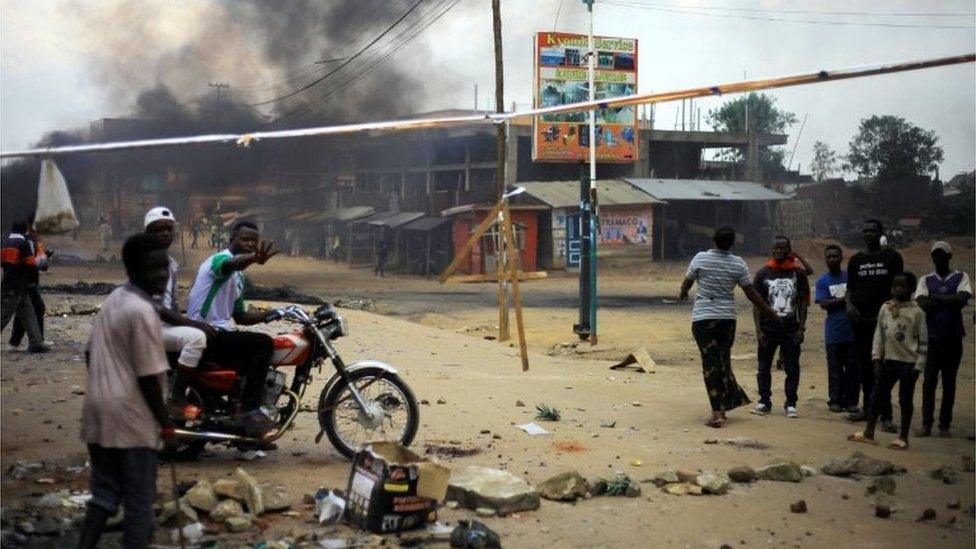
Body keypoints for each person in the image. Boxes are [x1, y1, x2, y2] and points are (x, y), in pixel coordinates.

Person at [76, 233, 176, 548]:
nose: (162, 275)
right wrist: (166, 422)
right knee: (138, 503)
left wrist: (105, 384)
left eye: (165, 267)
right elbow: (149, 376)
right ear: (134, 269)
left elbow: (90, 353)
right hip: (131, 418)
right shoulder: (142, 311)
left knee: (104, 493)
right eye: (154, 268)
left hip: (98, 410)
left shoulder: (115, 299)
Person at [679, 226, 780, 428]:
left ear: (713, 240)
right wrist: (770, 312)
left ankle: (717, 412)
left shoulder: (700, 258)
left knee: (710, 364)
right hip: (727, 320)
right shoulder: (738, 263)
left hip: (704, 318)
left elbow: (687, 283)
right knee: (723, 361)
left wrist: (683, 293)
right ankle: (724, 405)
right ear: (732, 243)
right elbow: (751, 293)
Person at [187, 220, 278, 431]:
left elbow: (240, 316)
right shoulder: (219, 260)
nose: (249, 244)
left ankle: (244, 430)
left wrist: (269, 315)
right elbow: (230, 264)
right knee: (264, 344)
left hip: (220, 331)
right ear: (231, 239)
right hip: (205, 331)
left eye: (254, 242)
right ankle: (248, 411)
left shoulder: (239, 278)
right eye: (245, 239)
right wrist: (254, 258)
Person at [143, 207, 215, 418]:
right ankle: (176, 397)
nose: (165, 233)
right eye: (159, 230)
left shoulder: (169, 262)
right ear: (148, 233)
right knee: (196, 338)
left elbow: (171, 303)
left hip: (161, 325)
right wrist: (194, 325)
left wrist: (187, 320)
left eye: (168, 229)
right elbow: (155, 307)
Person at [848, 272, 926, 450]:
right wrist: (876, 358)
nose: (898, 289)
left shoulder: (917, 312)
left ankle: (903, 437)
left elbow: (923, 341)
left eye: (903, 286)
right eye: (895, 285)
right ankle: (869, 432)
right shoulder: (886, 308)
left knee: (905, 399)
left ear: (912, 289)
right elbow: (879, 335)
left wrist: (919, 365)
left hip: (908, 362)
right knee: (877, 396)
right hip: (888, 360)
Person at [845, 218, 903, 432]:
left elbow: (900, 288)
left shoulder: (892, 258)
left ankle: (886, 415)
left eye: (872, 231)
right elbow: (849, 289)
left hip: (885, 322)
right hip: (861, 321)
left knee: (884, 369)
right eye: (865, 230)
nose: (868, 234)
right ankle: (868, 408)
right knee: (865, 368)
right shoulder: (856, 260)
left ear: (880, 233)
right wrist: (850, 307)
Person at [914, 241, 971, 438]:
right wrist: (949, 300)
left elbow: (962, 298)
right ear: (932, 257)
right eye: (935, 254)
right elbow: (923, 304)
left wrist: (935, 297)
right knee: (929, 382)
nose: (938, 258)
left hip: (953, 338)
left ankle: (944, 425)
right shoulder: (926, 278)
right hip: (932, 338)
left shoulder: (961, 276)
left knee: (949, 382)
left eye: (942, 254)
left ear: (949, 256)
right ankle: (926, 424)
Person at [751, 236, 810, 418]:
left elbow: (802, 302)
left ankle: (791, 403)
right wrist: (759, 330)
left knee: (792, 367)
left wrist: (801, 328)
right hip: (768, 329)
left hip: (791, 329)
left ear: (788, 250)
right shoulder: (763, 273)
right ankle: (764, 401)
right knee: (763, 367)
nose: (778, 251)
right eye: (775, 248)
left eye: (782, 248)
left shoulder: (798, 273)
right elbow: (757, 305)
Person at [815, 245, 859, 413]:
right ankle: (834, 400)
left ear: (841, 258)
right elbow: (824, 304)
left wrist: (836, 300)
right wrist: (846, 299)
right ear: (825, 260)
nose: (832, 259)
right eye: (829, 257)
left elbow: (857, 296)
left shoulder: (850, 277)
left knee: (853, 369)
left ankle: (851, 401)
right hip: (833, 333)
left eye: (835, 256)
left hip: (852, 332)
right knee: (835, 370)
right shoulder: (822, 281)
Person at [1, 221, 47, 352]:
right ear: (24, 229)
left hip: (10, 284)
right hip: (18, 286)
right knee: (4, 315)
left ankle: (36, 344)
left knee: (29, 314)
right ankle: (35, 343)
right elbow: (30, 265)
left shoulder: (4, 241)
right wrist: (33, 281)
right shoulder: (23, 243)